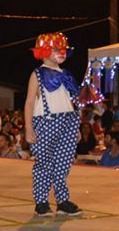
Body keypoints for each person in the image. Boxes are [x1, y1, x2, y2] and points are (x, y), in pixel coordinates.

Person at [24, 32, 81, 217]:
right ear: (44, 51)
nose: (62, 52)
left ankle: (63, 201)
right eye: (56, 49)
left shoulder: (66, 74)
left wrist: (76, 128)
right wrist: (28, 128)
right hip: (45, 122)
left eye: (63, 49)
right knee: (44, 164)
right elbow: (29, 102)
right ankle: (41, 203)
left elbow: (71, 101)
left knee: (63, 164)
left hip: (68, 122)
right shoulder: (37, 74)